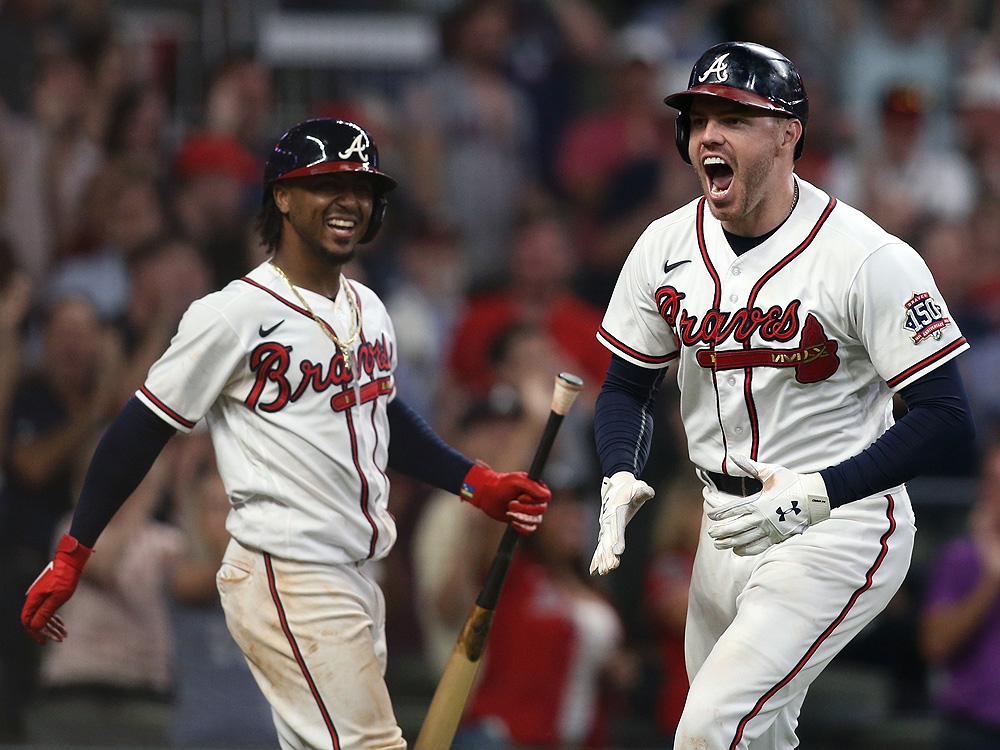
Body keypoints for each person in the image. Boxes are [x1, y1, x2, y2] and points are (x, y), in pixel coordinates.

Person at [20, 118, 552, 750]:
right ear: (282, 196)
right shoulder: (233, 313)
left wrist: (471, 480)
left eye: (361, 186)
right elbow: (139, 427)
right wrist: (74, 550)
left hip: (356, 573)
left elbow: (378, 412)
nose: (350, 200)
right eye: (328, 183)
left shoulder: (370, 307)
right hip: (288, 568)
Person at [588, 42, 975, 750]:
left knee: (708, 729)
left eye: (734, 117)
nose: (709, 133)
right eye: (699, 117)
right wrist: (617, 468)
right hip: (720, 522)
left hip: (839, 524)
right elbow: (624, 388)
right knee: (754, 740)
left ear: (787, 134)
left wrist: (821, 493)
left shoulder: (867, 256)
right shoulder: (663, 245)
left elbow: (949, 421)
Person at [919, 438, 1000, 749]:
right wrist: (991, 580)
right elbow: (935, 646)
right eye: (993, 483)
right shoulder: (960, 557)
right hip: (971, 730)